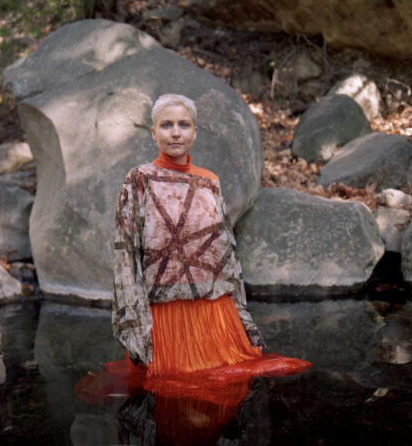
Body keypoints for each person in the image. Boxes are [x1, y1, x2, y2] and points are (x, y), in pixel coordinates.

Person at [112, 93, 292, 377]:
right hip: (165, 315)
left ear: (194, 133)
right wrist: (134, 321)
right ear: (153, 133)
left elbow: (226, 252)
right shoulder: (139, 179)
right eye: (166, 125)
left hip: (215, 310)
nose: (175, 133)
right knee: (171, 386)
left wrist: (242, 316)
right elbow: (126, 254)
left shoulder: (209, 181)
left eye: (183, 125)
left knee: (225, 386)